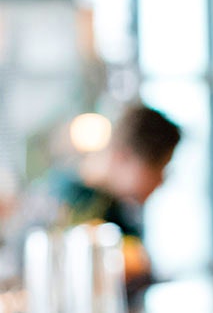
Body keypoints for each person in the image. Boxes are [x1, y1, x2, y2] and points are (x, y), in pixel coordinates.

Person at [13, 103, 181, 289]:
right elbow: (25, 271)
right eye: (159, 169)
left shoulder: (124, 210)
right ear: (123, 156)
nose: (160, 182)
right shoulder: (59, 196)